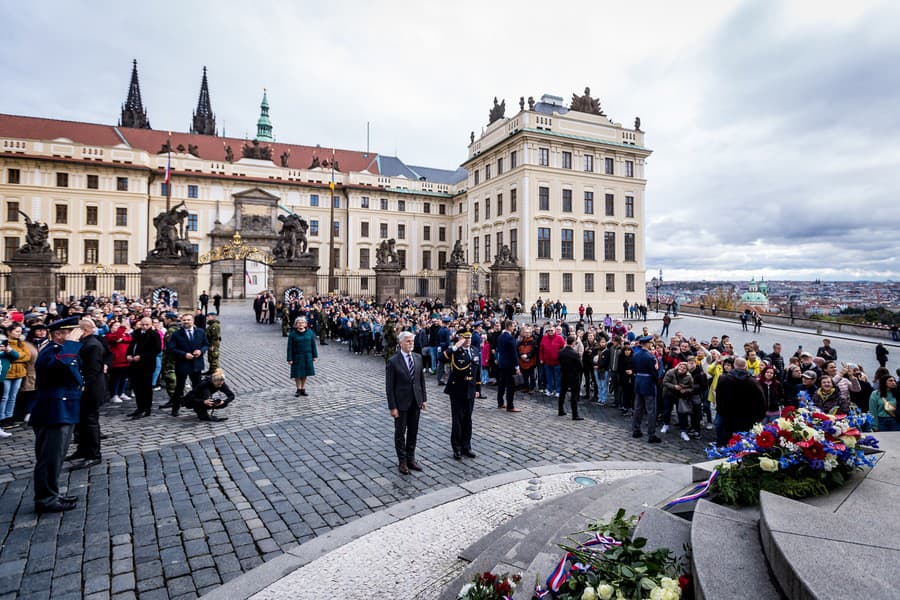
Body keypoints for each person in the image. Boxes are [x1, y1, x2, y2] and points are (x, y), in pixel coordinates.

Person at [30, 317, 84, 513]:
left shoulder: (61, 351)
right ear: (59, 334)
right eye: (71, 332)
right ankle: (45, 499)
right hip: (53, 411)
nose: (76, 335)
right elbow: (61, 365)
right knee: (49, 457)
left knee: (57, 456)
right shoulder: (50, 352)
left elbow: (73, 368)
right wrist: (72, 343)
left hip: (63, 409)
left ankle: (52, 493)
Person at [69, 318, 109, 470]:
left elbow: (91, 370)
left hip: (91, 389)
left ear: (84, 331)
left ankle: (93, 454)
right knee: (81, 422)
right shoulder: (86, 343)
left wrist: (83, 385)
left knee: (90, 421)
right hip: (86, 388)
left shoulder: (92, 345)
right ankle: (83, 449)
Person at [385, 331, 427, 474]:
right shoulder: (393, 361)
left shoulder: (418, 358)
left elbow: (421, 380)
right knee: (400, 433)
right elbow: (389, 387)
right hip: (401, 403)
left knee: (413, 432)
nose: (411, 344)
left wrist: (424, 399)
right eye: (408, 341)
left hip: (415, 401)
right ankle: (402, 461)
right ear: (401, 343)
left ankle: (411, 459)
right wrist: (392, 407)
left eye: (412, 341)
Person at [443, 331, 479, 460]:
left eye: (469, 337)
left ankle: (466, 446)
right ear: (460, 338)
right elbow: (441, 358)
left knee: (468, 419)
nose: (468, 340)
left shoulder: (474, 350)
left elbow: (477, 371)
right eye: (465, 337)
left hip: (470, 389)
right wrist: (454, 347)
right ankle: (457, 448)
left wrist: (478, 388)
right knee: (457, 420)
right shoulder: (454, 351)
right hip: (457, 389)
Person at [715, 356, 766, 446]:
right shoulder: (752, 381)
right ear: (745, 366)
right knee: (743, 441)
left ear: (734, 365)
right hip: (746, 417)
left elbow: (719, 397)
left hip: (728, 416)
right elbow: (761, 401)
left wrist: (721, 411)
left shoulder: (724, 379)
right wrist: (758, 417)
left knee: (727, 438)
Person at [167, 313, 209, 417]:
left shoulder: (200, 332)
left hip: (196, 364)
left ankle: (199, 407)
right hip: (182, 364)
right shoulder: (176, 334)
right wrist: (184, 354)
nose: (186, 322)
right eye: (184, 320)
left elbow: (206, 344)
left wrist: (201, 351)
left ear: (193, 321)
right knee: (179, 387)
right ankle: (175, 407)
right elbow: (171, 348)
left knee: (198, 387)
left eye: (188, 320)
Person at [126, 317, 162, 419]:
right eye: (143, 324)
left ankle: (146, 409)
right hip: (134, 364)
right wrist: (128, 354)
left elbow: (157, 349)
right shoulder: (136, 333)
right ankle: (139, 407)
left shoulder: (154, 334)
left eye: (147, 325)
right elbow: (132, 346)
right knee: (137, 387)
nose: (144, 327)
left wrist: (142, 356)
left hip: (147, 364)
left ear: (151, 324)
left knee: (145, 388)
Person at [632, 336, 660, 443]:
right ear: (647, 344)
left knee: (638, 408)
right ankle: (651, 434)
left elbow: (634, 368)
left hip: (638, 382)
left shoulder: (636, 354)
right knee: (651, 410)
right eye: (650, 343)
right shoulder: (650, 357)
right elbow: (654, 373)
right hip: (648, 383)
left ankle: (636, 430)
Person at [2, 323, 30, 429]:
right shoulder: (4, 343)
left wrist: (15, 356)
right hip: (7, 373)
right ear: (9, 332)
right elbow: (5, 357)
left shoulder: (22, 343)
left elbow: (27, 356)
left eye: (20, 331)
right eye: (16, 331)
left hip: (19, 373)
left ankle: (9, 417)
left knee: (13, 396)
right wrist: (17, 355)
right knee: (5, 396)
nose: (19, 333)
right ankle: (2, 417)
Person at [287, 316, 317, 396]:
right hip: (296, 356)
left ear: (305, 324)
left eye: (302, 323)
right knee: (297, 374)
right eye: (299, 323)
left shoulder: (310, 332)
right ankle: (298, 389)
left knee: (305, 373)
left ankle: (303, 388)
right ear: (296, 325)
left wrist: (314, 356)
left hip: (307, 356)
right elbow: (289, 347)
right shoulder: (292, 334)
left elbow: (313, 345)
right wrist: (289, 358)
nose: (301, 324)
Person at [495, 320, 521, 412]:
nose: (514, 328)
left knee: (502, 384)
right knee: (510, 386)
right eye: (513, 326)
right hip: (509, 364)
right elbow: (513, 353)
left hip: (502, 363)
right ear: (509, 326)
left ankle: (500, 402)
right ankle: (510, 405)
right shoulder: (510, 338)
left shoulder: (500, 336)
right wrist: (517, 366)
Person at [557, 334, 584, 420]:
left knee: (562, 393)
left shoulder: (560, 352)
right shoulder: (574, 353)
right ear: (573, 343)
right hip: (573, 376)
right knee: (574, 395)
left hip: (564, 374)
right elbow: (580, 366)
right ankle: (575, 415)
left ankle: (560, 410)